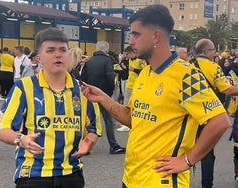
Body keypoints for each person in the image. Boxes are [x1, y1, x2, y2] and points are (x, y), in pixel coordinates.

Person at [81, 5, 230, 188]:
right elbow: (133, 119)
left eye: (136, 34)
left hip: (162, 181)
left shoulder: (185, 75)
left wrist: (187, 160)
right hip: (132, 178)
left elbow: (220, 121)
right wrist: (103, 98)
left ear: (155, 36)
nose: (131, 41)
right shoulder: (145, 73)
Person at [0, 27, 102, 188]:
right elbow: (1, 129)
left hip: (71, 174)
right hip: (33, 175)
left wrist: (89, 140)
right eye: (50, 50)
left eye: (62, 50)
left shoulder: (83, 90)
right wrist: (21, 139)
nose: (58, 55)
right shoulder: (24, 88)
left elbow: (94, 127)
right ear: (39, 58)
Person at [193, 38, 238, 188]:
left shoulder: (186, 65)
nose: (215, 53)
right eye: (213, 51)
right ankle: (207, 184)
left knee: (184, 148)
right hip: (207, 115)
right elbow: (227, 89)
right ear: (206, 52)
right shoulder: (213, 67)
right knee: (207, 152)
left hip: (187, 115)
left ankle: (181, 181)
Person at [81, 41, 126, 154]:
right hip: (103, 94)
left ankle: (84, 146)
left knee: (89, 121)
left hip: (89, 95)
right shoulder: (107, 61)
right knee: (108, 121)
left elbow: (83, 77)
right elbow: (110, 77)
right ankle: (113, 145)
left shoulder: (89, 61)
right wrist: (109, 93)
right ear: (106, 50)